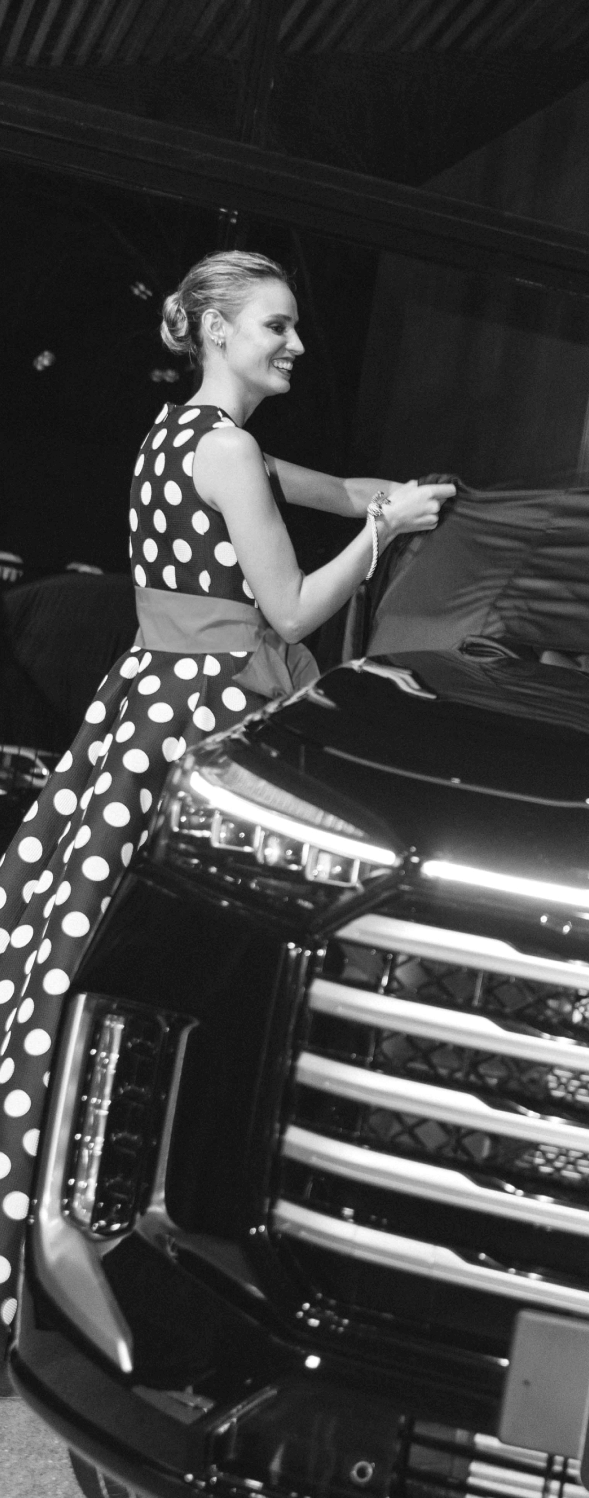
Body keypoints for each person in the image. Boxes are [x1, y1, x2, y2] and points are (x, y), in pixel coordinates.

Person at [0, 249, 453, 1338]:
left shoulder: (179, 436)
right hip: (202, 712)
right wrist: (382, 535)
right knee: (160, 961)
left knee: (66, 943)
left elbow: (324, 488)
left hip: (141, 705)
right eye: (274, 326)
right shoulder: (233, 452)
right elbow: (291, 611)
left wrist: (382, 495)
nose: (293, 344)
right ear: (216, 330)